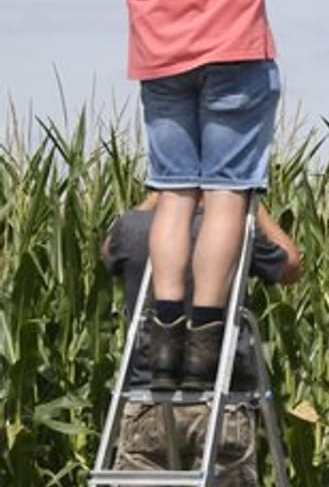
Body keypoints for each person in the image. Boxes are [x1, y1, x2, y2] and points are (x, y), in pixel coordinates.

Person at [76, 0, 294, 390]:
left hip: (160, 52)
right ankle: (205, 333)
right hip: (236, 47)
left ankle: (164, 330)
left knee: (174, 190)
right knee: (227, 194)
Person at [102, 193, 303, 484]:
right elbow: (292, 266)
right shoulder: (235, 230)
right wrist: (250, 204)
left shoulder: (133, 228)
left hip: (147, 399)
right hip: (222, 402)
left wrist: (161, 192)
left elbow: (108, 250)